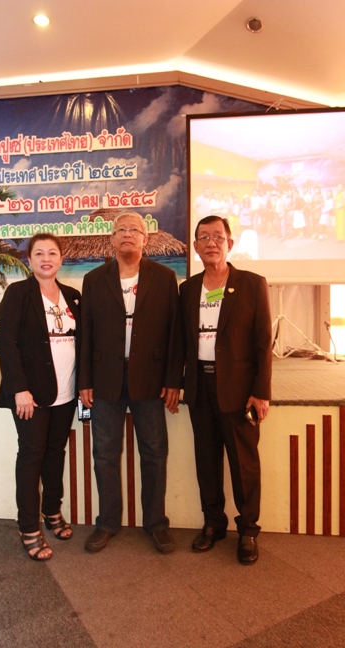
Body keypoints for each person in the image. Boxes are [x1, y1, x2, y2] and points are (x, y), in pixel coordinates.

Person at [79, 211, 183, 554]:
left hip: (150, 380)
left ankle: (156, 523)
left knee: (154, 452)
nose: (127, 234)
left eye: (134, 230)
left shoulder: (165, 278)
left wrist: (173, 380)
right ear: (111, 239)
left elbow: (174, 333)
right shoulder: (94, 279)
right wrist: (84, 380)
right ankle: (107, 522)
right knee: (104, 453)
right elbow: (86, 334)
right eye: (120, 229)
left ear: (145, 239)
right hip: (105, 379)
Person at [180, 215, 272, 565]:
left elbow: (263, 342)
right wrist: (176, 382)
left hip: (238, 389)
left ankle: (248, 530)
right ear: (196, 246)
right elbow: (181, 343)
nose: (211, 243)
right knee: (207, 462)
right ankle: (213, 524)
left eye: (218, 237)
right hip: (199, 387)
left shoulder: (251, 284)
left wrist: (261, 391)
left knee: (244, 464)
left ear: (229, 243)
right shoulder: (188, 289)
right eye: (204, 237)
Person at [0, 233, 81, 561]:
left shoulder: (73, 296)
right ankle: (28, 526)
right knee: (32, 456)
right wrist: (19, 389)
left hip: (66, 393)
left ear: (61, 259)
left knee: (55, 453)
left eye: (52, 253)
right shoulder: (18, 293)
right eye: (39, 253)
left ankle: (52, 511)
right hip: (30, 396)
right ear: (29, 260)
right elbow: (6, 344)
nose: (46, 259)